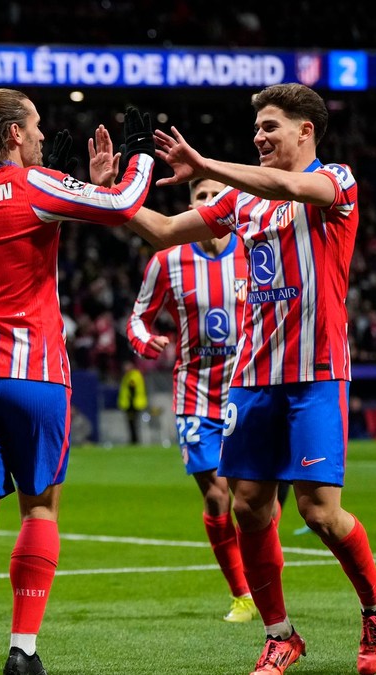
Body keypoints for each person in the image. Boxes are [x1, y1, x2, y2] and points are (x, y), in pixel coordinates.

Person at [122, 83, 376, 675]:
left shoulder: (336, 183)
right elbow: (166, 232)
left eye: (271, 127)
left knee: (320, 513)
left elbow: (294, 187)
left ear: (306, 131)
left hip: (316, 372)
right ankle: (280, 634)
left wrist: (208, 164)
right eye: (257, 128)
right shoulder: (242, 203)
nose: (260, 136)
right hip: (251, 376)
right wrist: (107, 198)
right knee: (248, 506)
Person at [0, 88, 154, 675]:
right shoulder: (34, 185)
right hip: (33, 375)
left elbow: (25, 220)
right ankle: (23, 651)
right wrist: (141, 156)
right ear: (12, 134)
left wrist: (59, 175)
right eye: (35, 126)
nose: (40, 133)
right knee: (40, 512)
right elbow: (125, 202)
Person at [126, 176, 264, 623]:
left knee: (256, 497)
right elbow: (138, 318)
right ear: (190, 207)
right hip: (195, 395)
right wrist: (144, 340)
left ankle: (262, 582)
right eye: (200, 196)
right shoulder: (167, 261)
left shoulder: (252, 248)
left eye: (214, 196)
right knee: (218, 494)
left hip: (248, 388)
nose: (208, 202)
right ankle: (242, 593)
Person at [116, 357, 148, 445]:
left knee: (133, 423)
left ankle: (135, 440)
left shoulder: (132, 376)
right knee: (131, 423)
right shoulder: (130, 375)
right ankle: (133, 439)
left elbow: (132, 390)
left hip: (133, 404)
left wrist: (130, 402)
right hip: (131, 403)